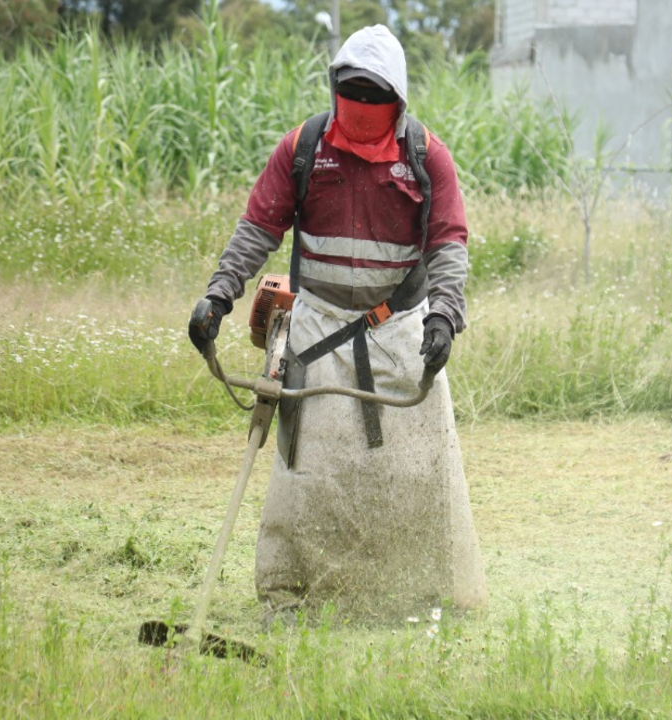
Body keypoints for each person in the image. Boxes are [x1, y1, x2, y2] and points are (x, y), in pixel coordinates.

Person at [187, 25, 486, 623]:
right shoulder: (303, 148)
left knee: (414, 472)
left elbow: (448, 243)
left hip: (399, 327)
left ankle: (420, 595)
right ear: (336, 89)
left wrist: (444, 317)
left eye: (375, 96)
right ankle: (292, 596)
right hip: (317, 328)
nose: (363, 106)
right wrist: (218, 296)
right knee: (307, 472)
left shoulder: (426, 157)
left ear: (397, 99)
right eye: (353, 92)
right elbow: (258, 229)